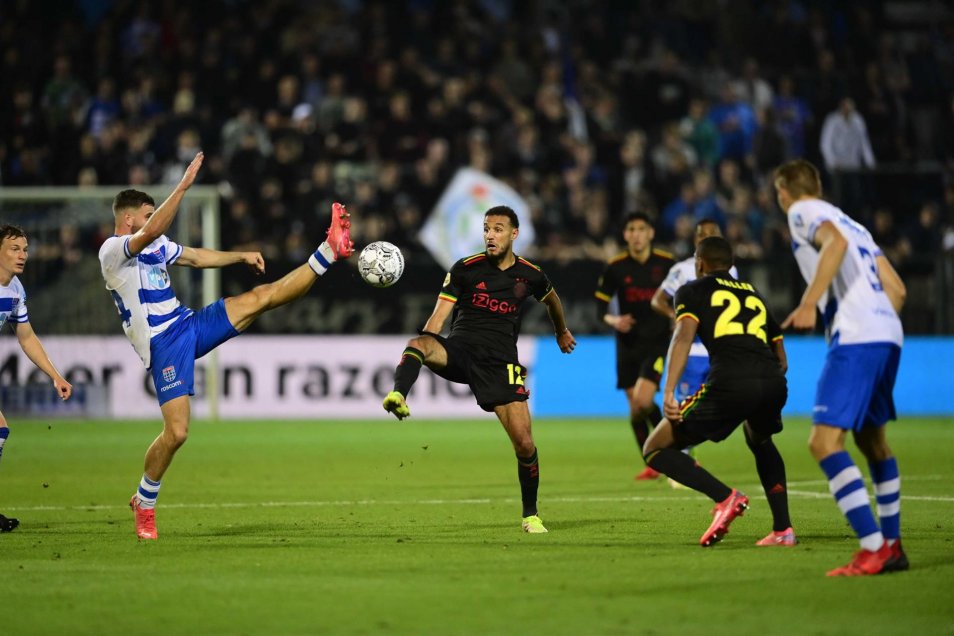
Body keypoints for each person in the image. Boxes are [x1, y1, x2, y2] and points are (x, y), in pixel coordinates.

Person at [99, 152, 353, 540]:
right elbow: (150, 233)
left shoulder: (156, 244)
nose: (153, 221)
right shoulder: (113, 250)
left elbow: (195, 257)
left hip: (187, 325)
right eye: (147, 215)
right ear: (129, 219)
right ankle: (144, 500)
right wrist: (182, 187)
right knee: (177, 433)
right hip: (162, 345)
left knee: (262, 297)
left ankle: (328, 251)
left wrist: (240, 255)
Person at [381, 206, 576, 533]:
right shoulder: (465, 269)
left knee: (525, 444)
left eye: (498, 229)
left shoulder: (530, 275)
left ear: (514, 234)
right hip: (462, 352)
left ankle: (530, 515)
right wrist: (430, 341)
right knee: (417, 343)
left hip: (501, 363)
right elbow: (438, 318)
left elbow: (552, 300)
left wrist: (561, 331)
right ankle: (398, 394)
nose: (490, 235)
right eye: (486, 228)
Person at [774, 159, 908, 576]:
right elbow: (897, 289)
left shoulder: (803, 211)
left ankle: (872, 548)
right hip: (888, 333)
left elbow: (834, 245)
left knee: (824, 442)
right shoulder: (857, 225)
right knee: (872, 441)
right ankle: (892, 546)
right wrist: (875, 320)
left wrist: (809, 303)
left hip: (856, 337)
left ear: (784, 192)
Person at [642, 236, 795, 548]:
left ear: (699, 263)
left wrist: (669, 392)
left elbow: (683, 338)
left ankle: (725, 498)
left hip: (731, 382)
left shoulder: (692, 290)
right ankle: (783, 530)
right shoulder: (753, 293)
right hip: (773, 381)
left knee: (655, 448)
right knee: (760, 439)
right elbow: (782, 357)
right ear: (731, 264)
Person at [650, 218, 736, 489]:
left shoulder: (731, 271)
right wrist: (675, 317)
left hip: (718, 350)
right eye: (702, 234)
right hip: (692, 350)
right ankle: (682, 457)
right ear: (695, 239)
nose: (706, 237)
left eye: (712, 233)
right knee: (683, 404)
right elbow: (658, 300)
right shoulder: (682, 270)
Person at [0, 225, 74, 532]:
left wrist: (55, 376)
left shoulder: (15, 290)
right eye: (14, 248)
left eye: (25, 249)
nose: (22, 255)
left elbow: (27, 337)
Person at [595, 212, 674, 480]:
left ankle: (669, 450)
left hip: (658, 341)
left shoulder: (666, 263)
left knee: (642, 400)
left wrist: (677, 318)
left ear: (651, 233)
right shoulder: (616, 266)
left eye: (641, 229)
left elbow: (683, 296)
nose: (636, 234)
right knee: (636, 408)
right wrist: (614, 320)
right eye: (631, 229)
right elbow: (600, 308)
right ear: (625, 235)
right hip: (627, 343)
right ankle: (653, 461)